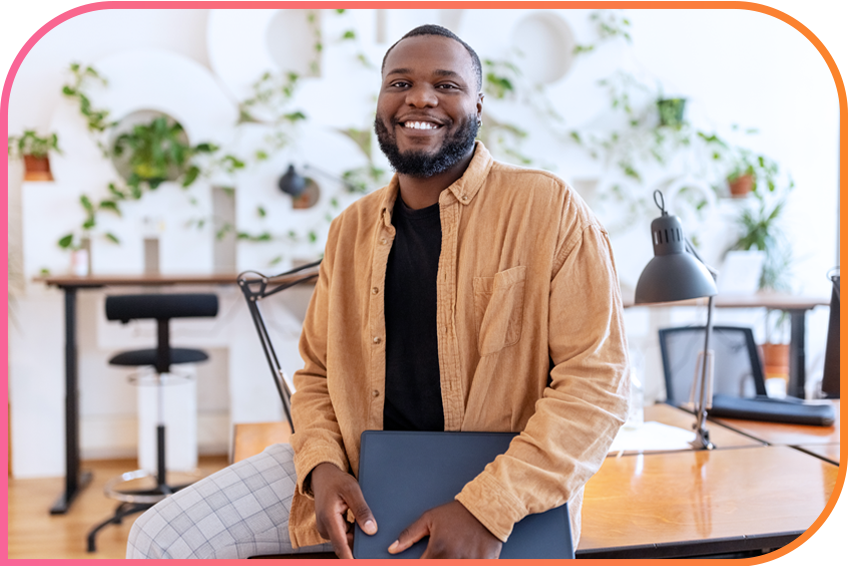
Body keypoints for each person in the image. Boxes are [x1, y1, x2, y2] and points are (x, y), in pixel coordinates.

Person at [126, 24, 629, 560]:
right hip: (357, 469)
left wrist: (488, 507)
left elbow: (597, 387)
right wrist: (320, 466)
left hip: (502, 478)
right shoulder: (350, 228)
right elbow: (317, 373)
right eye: (400, 82)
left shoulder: (547, 208)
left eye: (446, 84)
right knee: (159, 538)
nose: (419, 97)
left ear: (478, 104)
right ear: (382, 101)